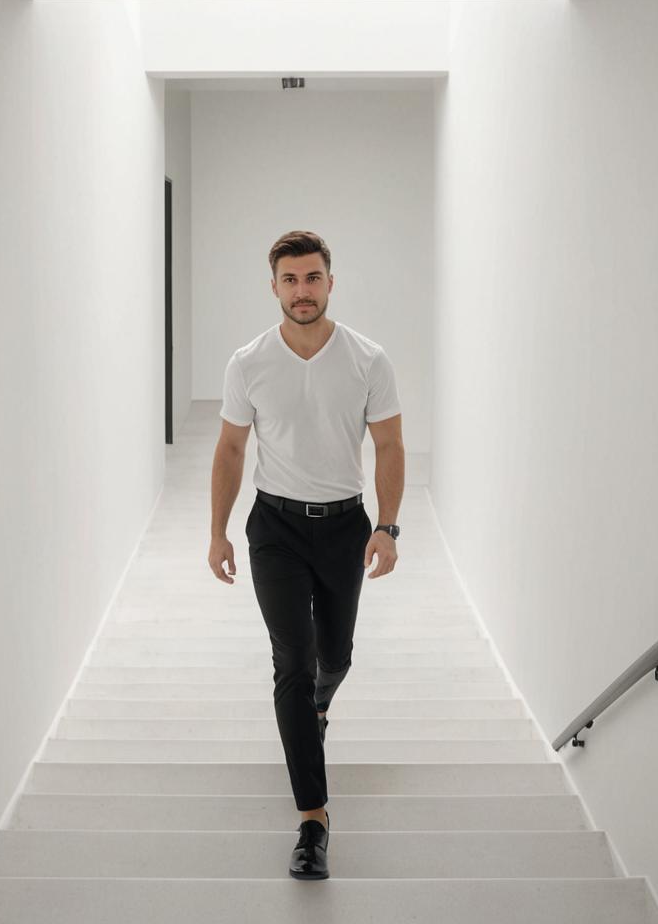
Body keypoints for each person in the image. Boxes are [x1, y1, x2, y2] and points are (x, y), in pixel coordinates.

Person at [207, 229, 405, 880]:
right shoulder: (249, 362)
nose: (302, 290)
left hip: (345, 525)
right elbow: (232, 450)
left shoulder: (368, 360)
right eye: (289, 280)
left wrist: (389, 526)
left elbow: (391, 446)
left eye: (312, 277)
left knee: (335, 656)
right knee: (292, 660)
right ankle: (313, 821)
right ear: (273, 287)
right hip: (276, 529)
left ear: (330, 281)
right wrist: (219, 531)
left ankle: (318, 709)